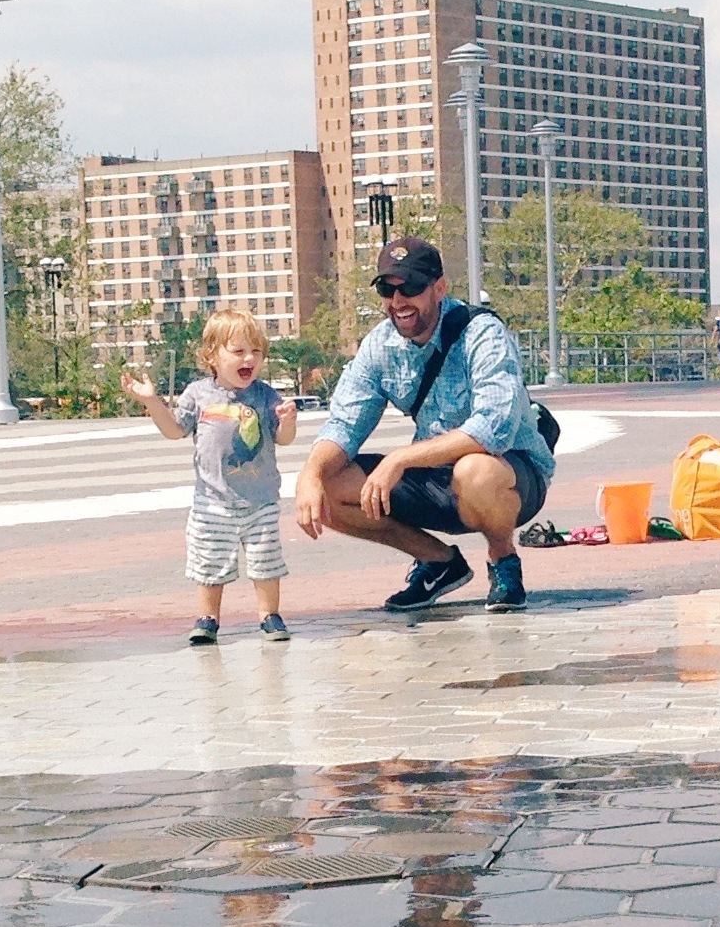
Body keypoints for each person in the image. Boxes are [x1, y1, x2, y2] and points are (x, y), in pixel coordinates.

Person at [294, 237, 554, 613]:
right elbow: (345, 424)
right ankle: (438, 562)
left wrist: (400, 459)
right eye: (388, 290)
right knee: (328, 484)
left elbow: (493, 428)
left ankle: (503, 561)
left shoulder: (482, 333)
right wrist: (311, 474)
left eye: (412, 287)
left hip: (510, 478)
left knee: (475, 470)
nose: (399, 301)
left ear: (439, 288)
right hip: (434, 478)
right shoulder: (379, 346)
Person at [123, 308, 298, 645]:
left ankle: (269, 615)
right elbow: (175, 430)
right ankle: (208, 618)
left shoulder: (265, 395)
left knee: (266, 561)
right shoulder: (198, 394)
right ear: (211, 356)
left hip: (260, 499)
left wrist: (288, 422)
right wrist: (152, 402)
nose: (249, 358)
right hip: (212, 500)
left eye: (256, 351)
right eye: (238, 351)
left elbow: (283, 438)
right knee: (210, 560)